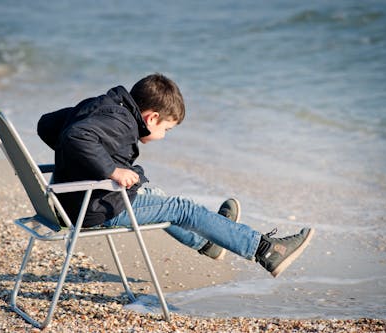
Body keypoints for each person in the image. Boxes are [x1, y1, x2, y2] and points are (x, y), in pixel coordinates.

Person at [37, 73, 314, 277]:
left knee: (155, 196)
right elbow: (76, 136)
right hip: (91, 209)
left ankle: (209, 241)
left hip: (68, 200)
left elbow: (47, 126)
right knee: (183, 209)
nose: (165, 136)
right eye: (167, 129)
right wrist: (111, 169)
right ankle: (266, 250)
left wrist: (86, 162)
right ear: (152, 118)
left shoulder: (102, 106)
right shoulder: (120, 123)